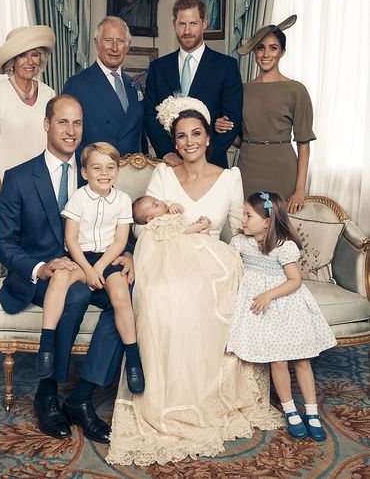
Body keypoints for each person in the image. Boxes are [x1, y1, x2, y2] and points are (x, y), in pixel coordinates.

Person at [106, 96, 283, 466]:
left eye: (196, 134)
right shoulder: (163, 175)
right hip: (165, 254)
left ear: (207, 139)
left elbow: (239, 229)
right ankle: (163, 399)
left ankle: (203, 397)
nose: (189, 142)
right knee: (161, 296)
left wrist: (263, 262)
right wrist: (163, 230)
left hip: (212, 262)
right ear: (175, 142)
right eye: (181, 136)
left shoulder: (230, 177)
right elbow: (140, 221)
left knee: (200, 295)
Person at [0, 95, 134, 445]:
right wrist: (40, 268)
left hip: (90, 267)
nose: (71, 131)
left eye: (78, 123)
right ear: (47, 124)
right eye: (63, 122)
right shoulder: (20, 177)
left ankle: (81, 397)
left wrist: (128, 253)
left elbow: (112, 225)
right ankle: (47, 392)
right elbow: (2, 241)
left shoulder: (95, 174)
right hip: (45, 278)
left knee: (130, 295)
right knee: (76, 294)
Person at [227, 191, 337, 441]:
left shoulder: (283, 246)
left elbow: (295, 281)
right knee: (278, 360)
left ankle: (311, 411)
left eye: (248, 215)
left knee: (301, 359)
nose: (242, 220)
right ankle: (289, 410)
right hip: (262, 312)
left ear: (267, 221)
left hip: (286, 306)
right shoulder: (240, 243)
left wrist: (268, 295)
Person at [39, 142, 145, 394]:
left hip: (108, 258)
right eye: (96, 168)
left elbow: (120, 240)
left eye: (110, 167)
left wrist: (99, 267)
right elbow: (71, 241)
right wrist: (87, 269)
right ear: (85, 172)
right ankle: (46, 343)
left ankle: (133, 357)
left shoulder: (122, 200)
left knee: (121, 294)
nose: (104, 173)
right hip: (80, 257)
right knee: (60, 277)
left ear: (118, 171)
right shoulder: (78, 197)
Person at [215, 15, 316, 214]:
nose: (265, 54)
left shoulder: (296, 90)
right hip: (248, 168)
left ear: (282, 52)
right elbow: (240, 139)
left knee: (278, 231)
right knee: (246, 228)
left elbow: (304, 144)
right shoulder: (241, 90)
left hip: (282, 169)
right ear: (254, 52)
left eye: (273, 48)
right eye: (260, 48)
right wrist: (223, 128)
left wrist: (299, 190)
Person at [144, 0, 242, 168]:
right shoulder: (158, 68)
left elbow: (232, 120)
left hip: (212, 165)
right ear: (174, 24)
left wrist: (204, 157)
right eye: (182, 24)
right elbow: (151, 116)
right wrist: (167, 153)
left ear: (204, 23)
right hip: (171, 165)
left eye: (193, 23)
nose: (187, 30)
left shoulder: (226, 66)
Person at [0, 25, 56, 200]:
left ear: (41, 59)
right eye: (22, 55)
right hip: (5, 190)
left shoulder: (49, 94)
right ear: (12, 61)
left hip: (40, 190)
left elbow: (53, 146)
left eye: (35, 54)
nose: (29, 61)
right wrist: (0, 193)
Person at [63, 17, 144, 156]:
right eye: (108, 40)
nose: (114, 47)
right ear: (97, 43)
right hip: (95, 172)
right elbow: (67, 139)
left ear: (128, 46)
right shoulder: (77, 85)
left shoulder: (134, 86)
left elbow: (140, 138)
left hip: (133, 173)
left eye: (120, 41)